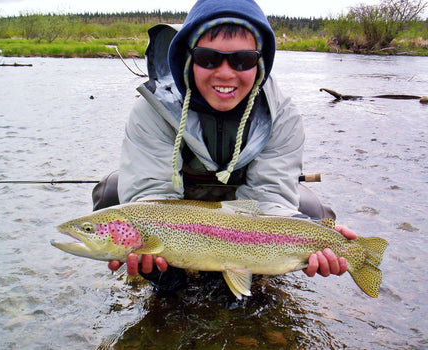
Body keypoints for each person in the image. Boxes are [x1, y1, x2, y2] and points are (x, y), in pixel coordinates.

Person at [93, 0, 357, 294]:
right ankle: (167, 278)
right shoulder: (152, 109)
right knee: (110, 192)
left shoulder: (281, 114)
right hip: (181, 207)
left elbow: (271, 197)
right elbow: (149, 195)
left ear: (259, 62)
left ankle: (254, 276)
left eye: (242, 60)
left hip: (248, 212)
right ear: (188, 58)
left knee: (313, 210)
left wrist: (318, 237)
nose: (225, 73)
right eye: (208, 58)